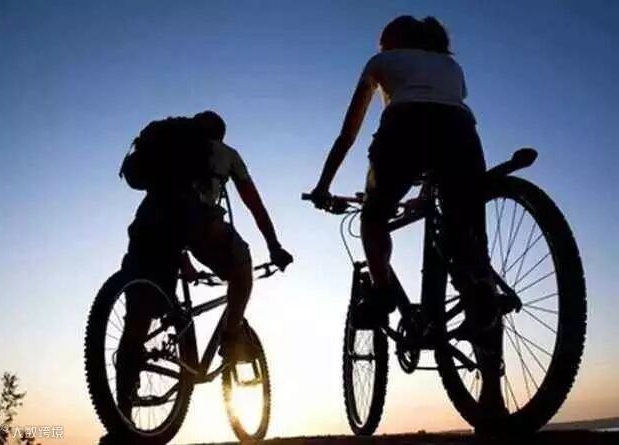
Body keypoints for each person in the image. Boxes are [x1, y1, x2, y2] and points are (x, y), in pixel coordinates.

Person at [308, 16, 503, 407]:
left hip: (404, 129)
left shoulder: (382, 63)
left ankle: (381, 294)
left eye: (383, 40)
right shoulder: (451, 66)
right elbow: (442, 114)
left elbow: (348, 134)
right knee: (471, 257)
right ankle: (492, 393)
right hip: (462, 136)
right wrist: (428, 189)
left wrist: (323, 186)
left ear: (396, 40)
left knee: (373, 218)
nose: (379, 46)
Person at [116, 110, 292, 416]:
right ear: (220, 135)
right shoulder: (226, 153)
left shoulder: (168, 150)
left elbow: (169, 218)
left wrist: (181, 258)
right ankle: (231, 337)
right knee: (242, 265)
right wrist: (274, 247)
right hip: (197, 222)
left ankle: (122, 418)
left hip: (148, 223)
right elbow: (254, 204)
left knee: (137, 321)